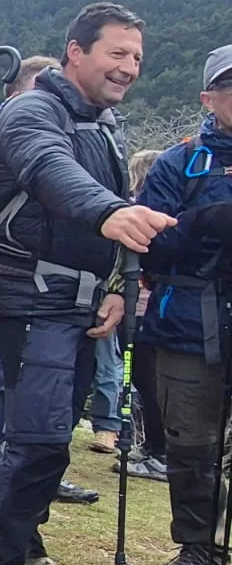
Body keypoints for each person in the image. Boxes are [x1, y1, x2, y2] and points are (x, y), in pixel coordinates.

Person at [0, 2, 175, 565]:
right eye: (117, 53)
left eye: (136, 57)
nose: (129, 67)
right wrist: (110, 213)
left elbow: (106, 204)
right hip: (27, 299)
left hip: (76, 303)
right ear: (76, 52)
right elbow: (48, 170)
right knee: (39, 440)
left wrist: (116, 287)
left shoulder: (102, 124)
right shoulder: (32, 111)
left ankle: (26, 550)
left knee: (51, 441)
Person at [0, 55, 101, 505]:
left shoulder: (42, 127)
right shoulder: (18, 125)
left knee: (18, 384)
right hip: (5, 279)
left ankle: (22, 474)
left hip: (14, 280)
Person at [134, 44, 232, 565]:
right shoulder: (180, 163)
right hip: (188, 323)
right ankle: (200, 550)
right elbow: (146, 246)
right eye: (231, 87)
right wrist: (203, 223)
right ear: (207, 98)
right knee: (191, 443)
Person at [118, 148, 169, 484]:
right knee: (145, 382)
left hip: (139, 309)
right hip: (147, 309)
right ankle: (151, 447)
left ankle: (158, 452)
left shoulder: (138, 212)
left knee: (146, 383)